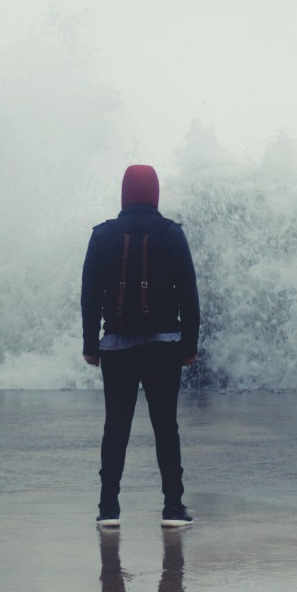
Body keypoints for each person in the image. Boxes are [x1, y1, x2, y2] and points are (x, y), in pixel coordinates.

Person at [81, 163, 201, 529]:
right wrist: (189, 345)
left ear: (124, 193)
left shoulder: (103, 235)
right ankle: (173, 509)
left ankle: (109, 509)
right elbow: (189, 296)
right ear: (155, 194)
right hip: (164, 347)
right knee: (166, 427)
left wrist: (91, 345)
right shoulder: (172, 234)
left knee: (115, 427)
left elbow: (89, 295)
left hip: (116, 349)